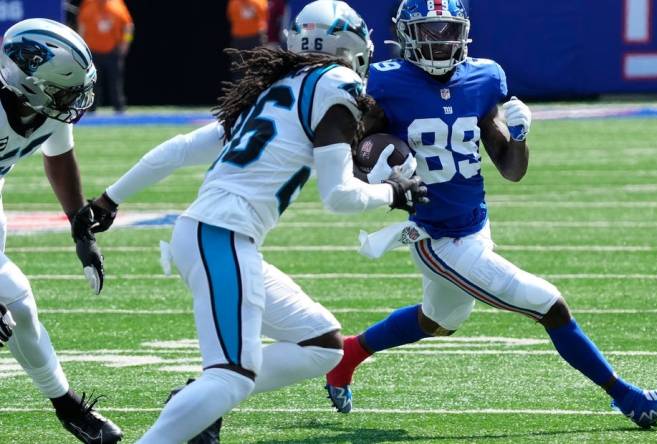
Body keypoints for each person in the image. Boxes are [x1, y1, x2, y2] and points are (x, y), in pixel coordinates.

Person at [324, 0, 657, 430]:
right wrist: (379, 167)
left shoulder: (483, 77)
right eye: (429, 30)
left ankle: (347, 355)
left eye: (448, 30)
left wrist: (519, 136)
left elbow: (512, 169)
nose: (440, 41)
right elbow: (355, 156)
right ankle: (629, 398)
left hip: (476, 224)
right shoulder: (384, 83)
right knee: (549, 305)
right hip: (435, 235)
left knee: (438, 320)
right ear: (405, 34)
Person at [88, 2, 427, 442]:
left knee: (322, 344)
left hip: (215, 235)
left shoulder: (274, 89)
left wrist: (110, 198)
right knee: (231, 376)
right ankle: (200, 402)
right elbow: (339, 196)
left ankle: (197, 400)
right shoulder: (337, 83)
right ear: (349, 45)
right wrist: (394, 192)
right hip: (222, 234)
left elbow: (181, 148)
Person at [0, 18, 122, 443]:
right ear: (26, 81)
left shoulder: (42, 104)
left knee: (19, 309)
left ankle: (68, 408)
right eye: (66, 91)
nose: (77, 101)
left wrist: (80, 229)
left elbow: (58, 153)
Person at [77, 0, 133, 113]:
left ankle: (120, 108)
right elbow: (81, 27)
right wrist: (82, 47)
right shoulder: (88, 4)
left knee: (115, 82)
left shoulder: (118, 4)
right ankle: (91, 108)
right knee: (92, 82)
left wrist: (125, 44)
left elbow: (129, 26)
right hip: (93, 52)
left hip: (112, 51)